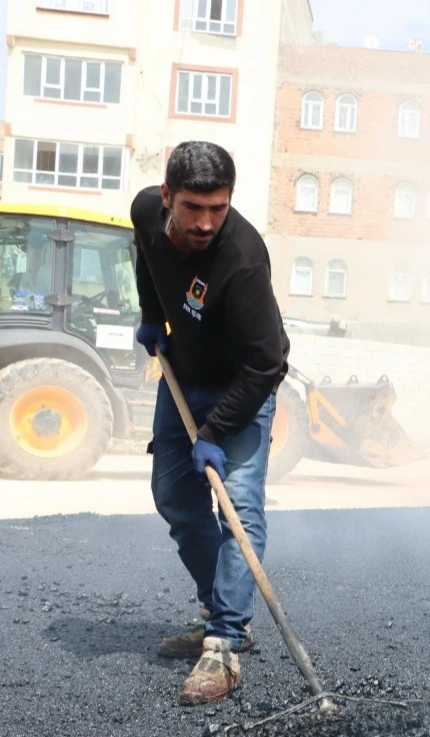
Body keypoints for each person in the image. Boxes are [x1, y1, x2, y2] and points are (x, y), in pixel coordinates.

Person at [131, 141, 289, 706]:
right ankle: (218, 607)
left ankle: (224, 641)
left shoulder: (242, 260)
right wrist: (152, 313)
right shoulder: (145, 211)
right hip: (183, 376)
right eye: (192, 208)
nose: (204, 223)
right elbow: (145, 255)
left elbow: (269, 362)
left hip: (241, 387)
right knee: (174, 496)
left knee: (238, 509)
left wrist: (216, 432)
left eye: (217, 208)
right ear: (167, 196)